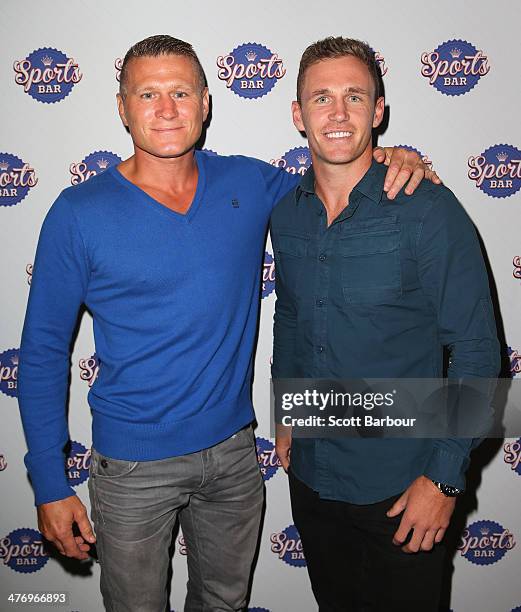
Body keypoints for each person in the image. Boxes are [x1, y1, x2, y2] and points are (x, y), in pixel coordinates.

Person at [18, 35, 435, 612]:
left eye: (182, 92)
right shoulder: (77, 213)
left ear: (206, 103)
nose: (167, 110)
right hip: (133, 468)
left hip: (235, 458)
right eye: (148, 94)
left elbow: (339, 172)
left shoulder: (249, 184)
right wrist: (48, 481)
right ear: (122, 107)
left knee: (224, 604)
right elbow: (40, 351)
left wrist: (393, 155)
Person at [271, 37, 500, 612]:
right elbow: (293, 315)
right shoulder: (286, 213)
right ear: (298, 115)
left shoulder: (428, 209)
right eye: (321, 98)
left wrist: (445, 479)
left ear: (378, 111)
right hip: (314, 479)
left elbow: (477, 353)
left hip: (405, 489)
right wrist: (287, 411)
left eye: (355, 96)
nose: (339, 113)